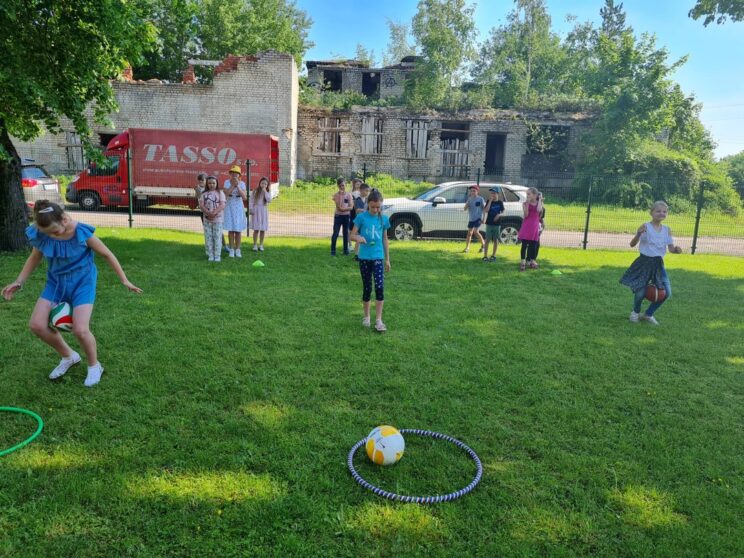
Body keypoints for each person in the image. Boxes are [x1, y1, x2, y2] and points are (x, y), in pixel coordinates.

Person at [1, 201, 142, 387]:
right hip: (56, 283)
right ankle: (69, 356)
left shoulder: (81, 232)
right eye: (47, 233)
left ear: (65, 220)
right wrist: (19, 282)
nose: (51, 236)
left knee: (80, 330)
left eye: (55, 231)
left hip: (83, 283)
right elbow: (35, 257)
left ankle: (94, 366)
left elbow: (107, 254)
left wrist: (124, 280)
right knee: (36, 325)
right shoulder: (42, 232)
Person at [620, 201, 683, 325]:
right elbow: (632, 244)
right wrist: (638, 233)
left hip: (658, 264)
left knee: (667, 292)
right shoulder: (645, 227)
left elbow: (671, 249)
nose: (661, 213)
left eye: (664, 211)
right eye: (658, 211)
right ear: (651, 213)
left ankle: (648, 314)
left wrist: (676, 250)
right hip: (643, 263)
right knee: (640, 293)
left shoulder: (667, 230)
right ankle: (635, 313)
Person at [351, 189, 391, 332]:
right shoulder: (361, 217)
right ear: (368, 204)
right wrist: (358, 238)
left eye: (378, 207)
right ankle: (366, 316)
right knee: (367, 287)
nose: (375, 210)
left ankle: (379, 320)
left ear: (381, 205)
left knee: (379, 287)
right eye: (373, 207)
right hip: (364, 258)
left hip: (378, 257)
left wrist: (387, 259)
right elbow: (351, 235)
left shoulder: (383, 219)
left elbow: (385, 239)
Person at [199, 175, 226, 262]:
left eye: (213, 183)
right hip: (207, 220)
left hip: (218, 220)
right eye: (209, 183)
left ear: (217, 183)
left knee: (217, 237)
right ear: (207, 184)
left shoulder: (220, 193)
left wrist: (214, 213)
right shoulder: (203, 194)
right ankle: (210, 255)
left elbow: (222, 204)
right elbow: (201, 205)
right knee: (208, 237)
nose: (211, 185)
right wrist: (208, 213)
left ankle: (217, 255)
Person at [223, 165, 248, 258]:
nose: (234, 175)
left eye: (236, 173)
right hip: (229, 207)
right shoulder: (226, 182)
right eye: (232, 173)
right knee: (231, 230)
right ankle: (231, 250)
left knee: (238, 230)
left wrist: (237, 186)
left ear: (239, 175)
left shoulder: (242, 184)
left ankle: (238, 249)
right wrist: (233, 185)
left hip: (238, 208)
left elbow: (244, 197)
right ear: (230, 174)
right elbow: (226, 193)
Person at [518, 187, 543, 271]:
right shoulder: (525, 203)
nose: (527, 195)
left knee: (533, 245)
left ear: (535, 195)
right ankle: (523, 262)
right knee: (524, 245)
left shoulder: (539, 203)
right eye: (527, 194)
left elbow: (539, 210)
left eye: (529, 194)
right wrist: (527, 204)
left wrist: (539, 200)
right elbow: (526, 215)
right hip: (526, 226)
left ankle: (532, 261)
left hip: (534, 227)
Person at [331, 177, 353, 256]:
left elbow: (351, 207)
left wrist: (344, 209)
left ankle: (345, 250)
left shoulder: (349, 195)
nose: (342, 187)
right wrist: (340, 195)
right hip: (338, 216)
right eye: (340, 186)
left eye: (343, 185)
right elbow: (339, 207)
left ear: (345, 185)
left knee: (345, 233)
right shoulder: (336, 195)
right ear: (338, 186)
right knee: (336, 233)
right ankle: (333, 251)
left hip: (346, 216)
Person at [249, 176, 272, 252]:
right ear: (259, 183)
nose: (263, 185)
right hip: (256, 210)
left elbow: (269, 200)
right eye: (262, 183)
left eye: (265, 184)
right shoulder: (255, 191)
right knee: (256, 229)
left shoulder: (267, 192)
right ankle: (255, 245)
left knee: (262, 229)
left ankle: (261, 245)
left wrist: (265, 192)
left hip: (263, 211)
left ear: (267, 185)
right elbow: (251, 201)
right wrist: (251, 209)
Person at [482, 188, 505, 262]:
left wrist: (498, 215)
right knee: (487, 240)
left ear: (498, 194)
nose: (492, 195)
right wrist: (490, 201)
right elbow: (486, 210)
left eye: (494, 193)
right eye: (491, 193)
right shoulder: (488, 201)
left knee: (495, 240)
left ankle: (493, 255)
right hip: (489, 224)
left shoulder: (500, 202)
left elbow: (503, 212)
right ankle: (485, 256)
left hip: (497, 224)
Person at [463, 185, 486, 253]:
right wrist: (466, 205)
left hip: (478, 218)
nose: (472, 192)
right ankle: (467, 248)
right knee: (469, 233)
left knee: (476, 232)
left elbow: (484, 209)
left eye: (474, 191)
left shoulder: (480, 199)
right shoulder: (469, 199)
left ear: (477, 191)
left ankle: (483, 245)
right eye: (471, 191)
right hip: (471, 219)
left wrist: (484, 218)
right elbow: (465, 209)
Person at [353, 183, 371, 260]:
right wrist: (365, 210)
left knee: (365, 237)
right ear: (361, 190)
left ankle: (364, 253)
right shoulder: (357, 200)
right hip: (360, 222)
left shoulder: (367, 200)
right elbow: (357, 211)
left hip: (366, 221)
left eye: (368, 191)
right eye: (366, 191)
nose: (367, 192)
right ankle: (356, 254)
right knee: (359, 237)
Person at [349, 177, 363, 252]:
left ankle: (358, 244)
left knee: (358, 229)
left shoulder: (361, 193)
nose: (358, 185)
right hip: (352, 212)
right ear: (354, 185)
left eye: (359, 184)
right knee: (350, 229)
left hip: (359, 212)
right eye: (357, 184)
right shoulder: (351, 193)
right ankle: (350, 245)